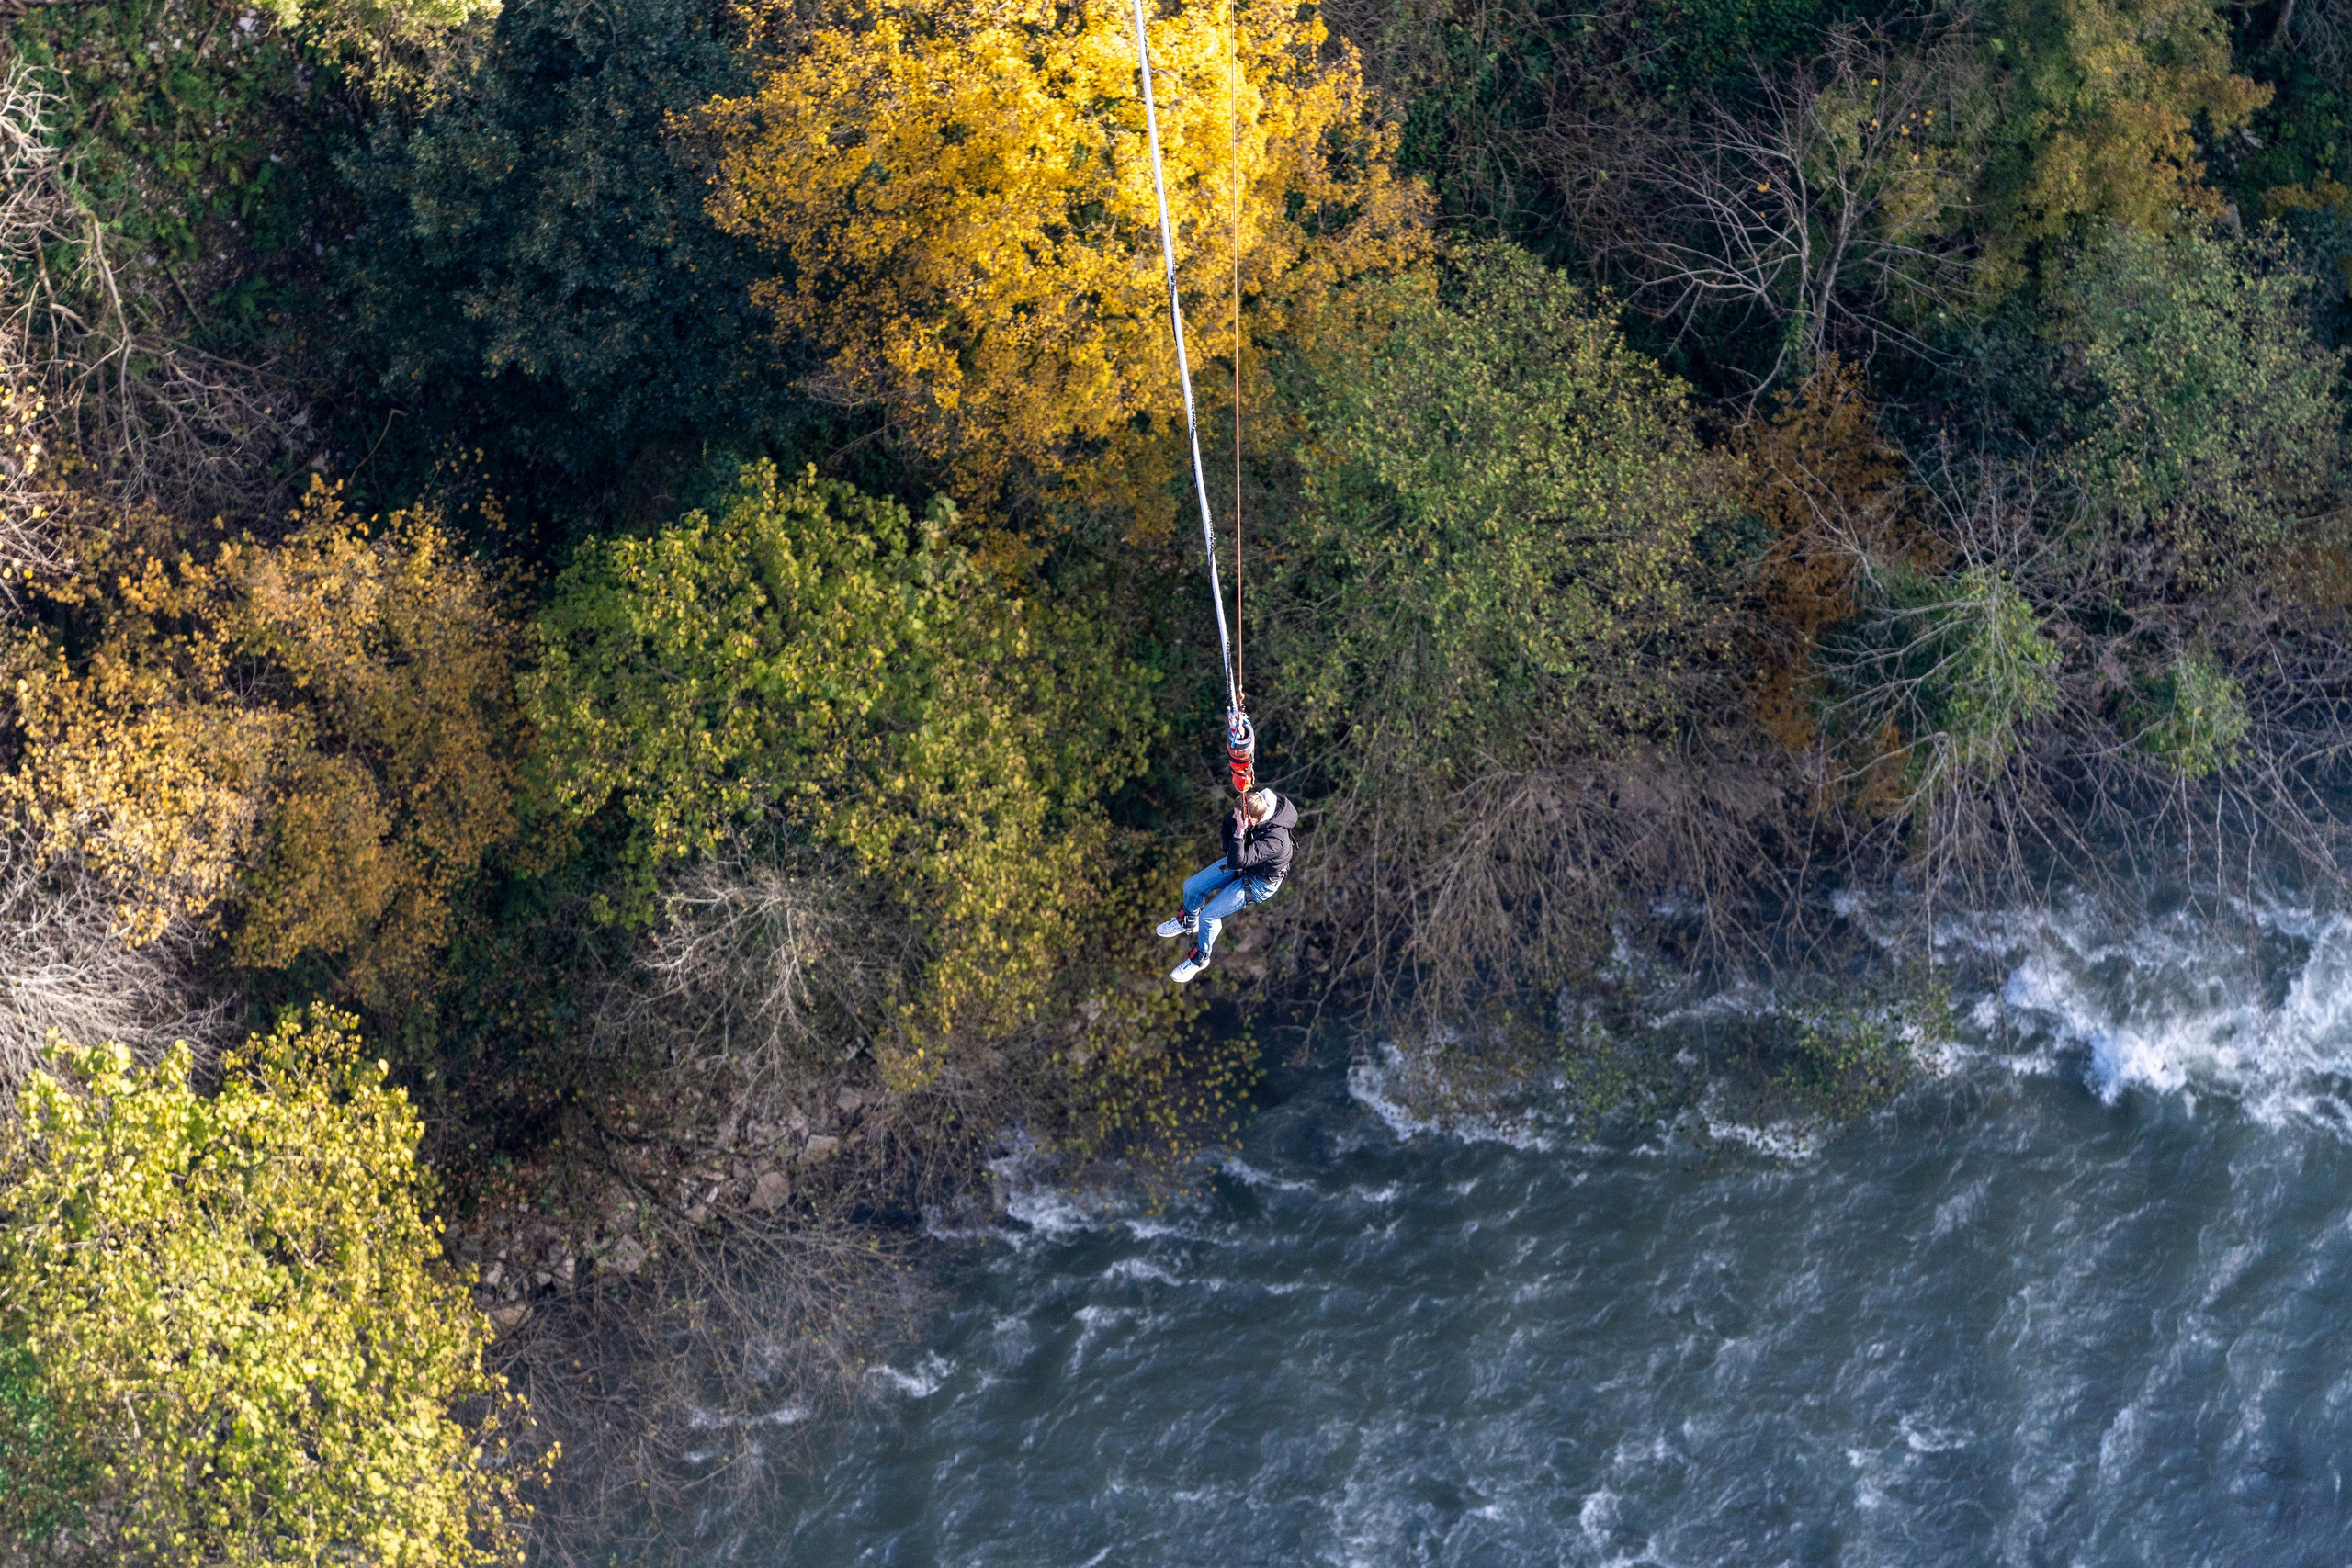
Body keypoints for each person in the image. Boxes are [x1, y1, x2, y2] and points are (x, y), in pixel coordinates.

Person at [1157, 786, 1296, 983]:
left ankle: (1201, 958)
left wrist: (1239, 833)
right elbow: (1226, 824)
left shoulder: (1276, 841)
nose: (1233, 816)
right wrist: (1231, 841)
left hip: (1260, 882)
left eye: (1238, 816)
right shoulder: (1250, 807)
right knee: (1192, 886)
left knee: (1209, 916)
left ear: (1252, 822)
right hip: (1241, 858)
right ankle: (1189, 919)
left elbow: (1236, 862)